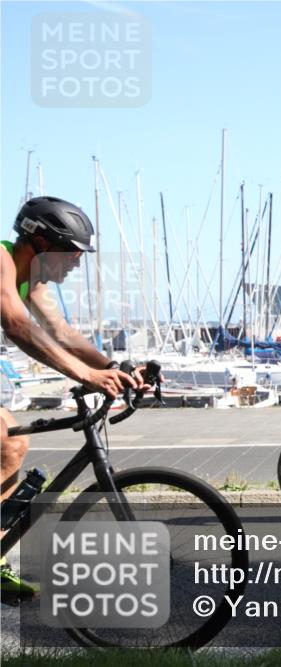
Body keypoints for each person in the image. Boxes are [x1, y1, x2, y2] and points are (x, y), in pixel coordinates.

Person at [0, 196, 148, 605]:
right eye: (73, 253)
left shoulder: (32, 279)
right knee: (6, 438)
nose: (78, 263)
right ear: (43, 243)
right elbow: (15, 325)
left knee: (11, 444)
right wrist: (85, 375)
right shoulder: (1, 260)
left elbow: (61, 333)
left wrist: (114, 366)